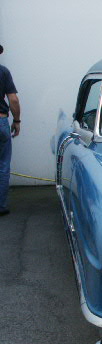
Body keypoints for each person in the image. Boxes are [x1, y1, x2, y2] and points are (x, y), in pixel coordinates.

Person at [0, 44, 20, 216]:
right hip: (0, 121)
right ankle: (1, 206)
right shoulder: (3, 72)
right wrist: (17, 120)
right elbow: (13, 100)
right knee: (3, 165)